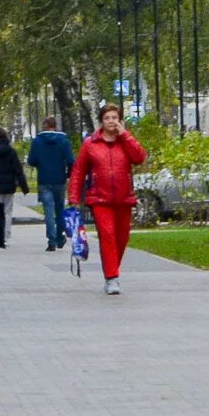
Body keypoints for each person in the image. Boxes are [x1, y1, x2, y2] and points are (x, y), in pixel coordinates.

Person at [68, 104, 146, 297]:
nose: (111, 121)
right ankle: (111, 277)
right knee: (108, 235)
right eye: (107, 118)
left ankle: (112, 271)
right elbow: (78, 171)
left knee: (122, 238)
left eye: (114, 118)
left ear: (120, 120)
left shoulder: (125, 141)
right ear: (101, 121)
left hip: (124, 198)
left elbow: (139, 158)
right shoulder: (91, 144)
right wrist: (74, 197)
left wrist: (125, 135)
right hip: (100, 199)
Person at [26, 117, 76, 250]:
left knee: (48, 210)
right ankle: (60, 237)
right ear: (55, 126)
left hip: (44, 180)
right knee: (60, 209)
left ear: (45, 125)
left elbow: (31, 161)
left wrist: (41, 163)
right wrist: (68, 174)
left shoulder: (37, 141)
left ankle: (51, 240)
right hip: (60, 179)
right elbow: (71, 161)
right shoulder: (64, 141)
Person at [0, 126, 28, 240]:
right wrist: (24, 187)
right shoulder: (11, 152)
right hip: (8, 186)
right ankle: (5, 236)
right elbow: (18, 170)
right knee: (7, 211)